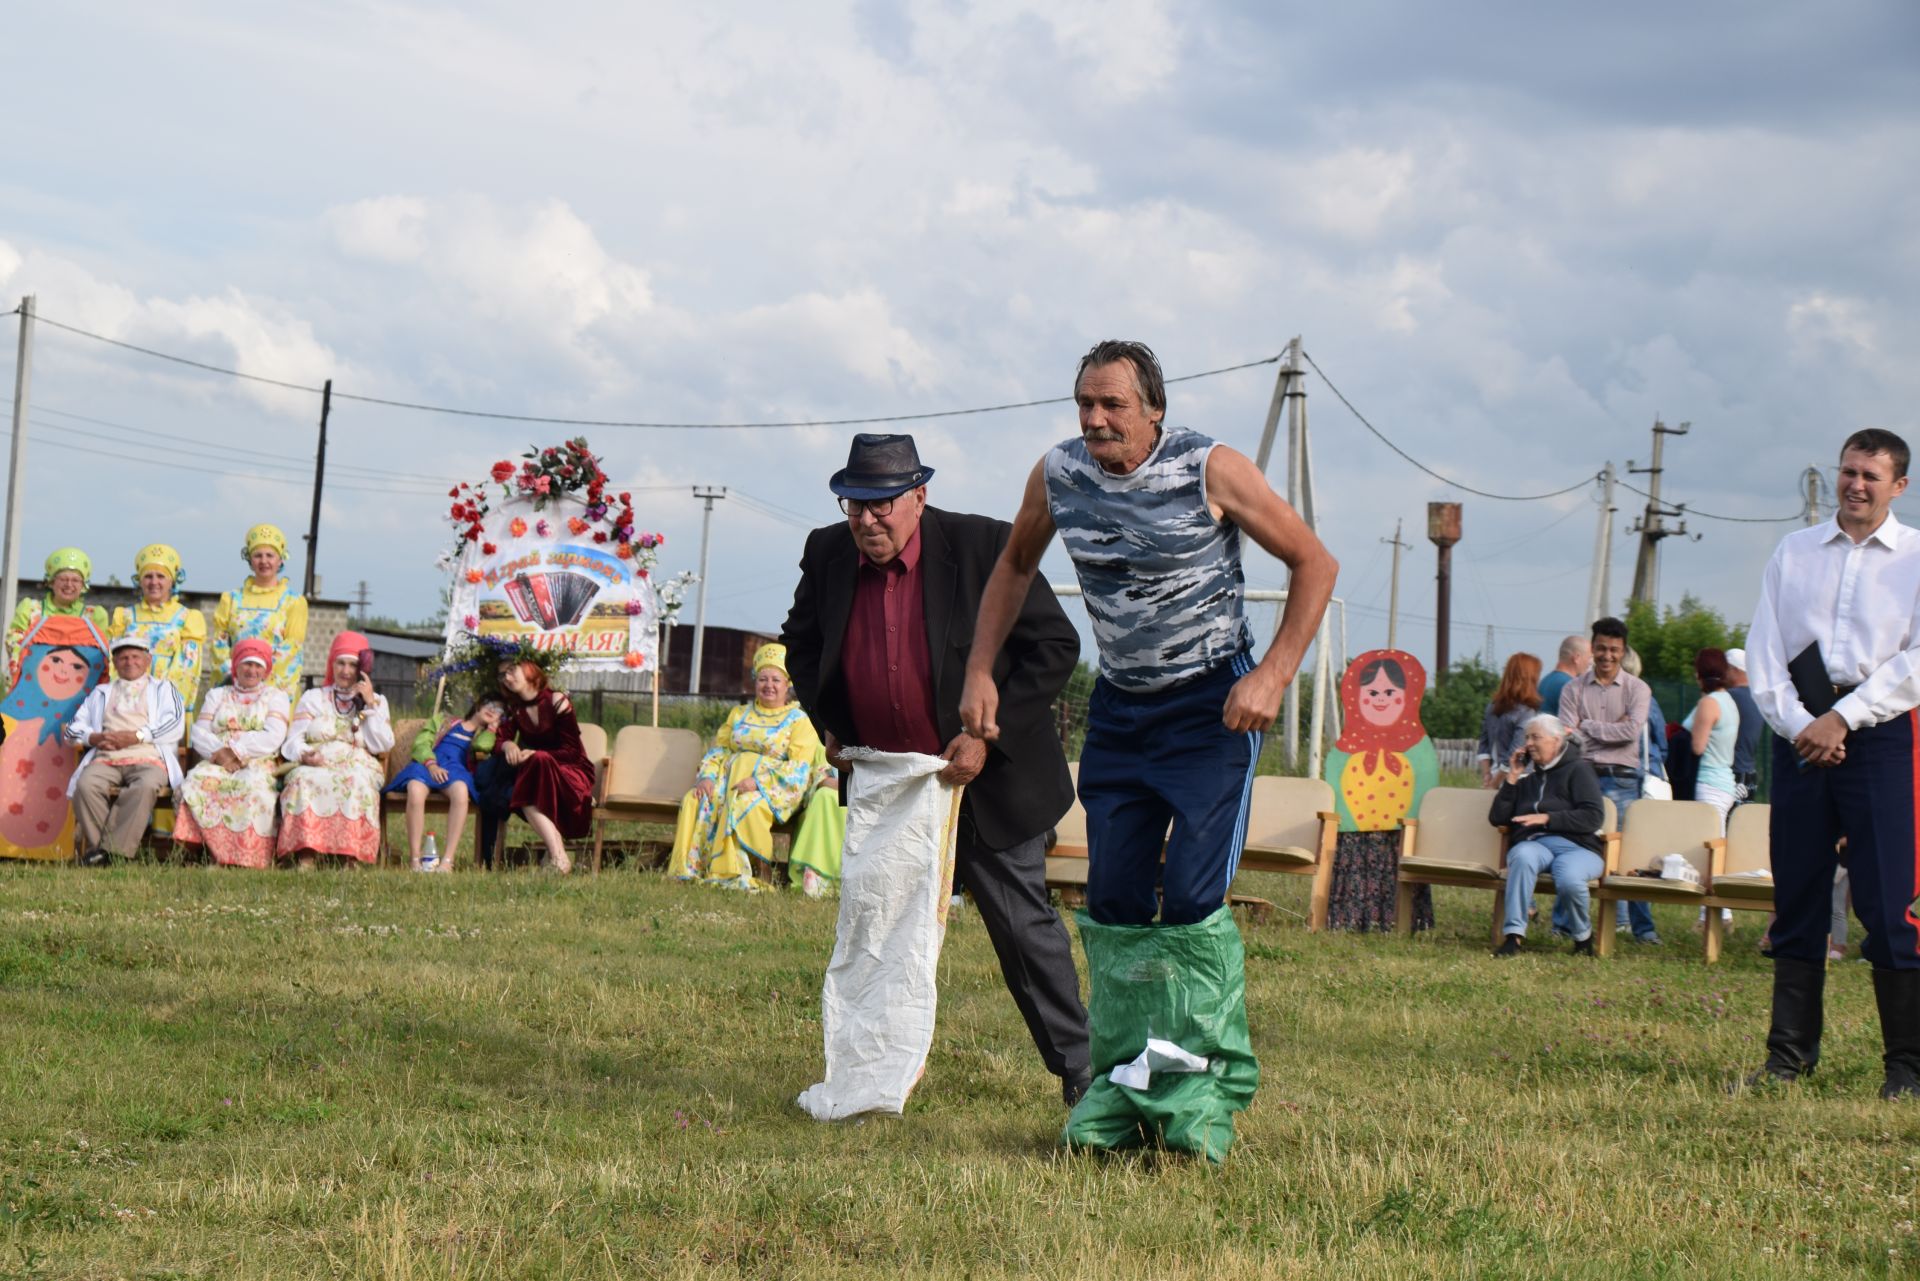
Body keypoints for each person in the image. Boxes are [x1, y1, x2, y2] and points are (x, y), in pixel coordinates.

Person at [959, 340, 1337, 1161]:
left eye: (1113, 405)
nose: (1096, 420)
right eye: (1085, 406)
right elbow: (1014, 565)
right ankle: (1124, 1091)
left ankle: (1198, 1096)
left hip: (1212, 709)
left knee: (1195, 902)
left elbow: (1315, 561)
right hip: (1124, 711)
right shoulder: (1058, 475)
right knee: (1120, 905)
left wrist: (1273, 672)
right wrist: (981, 669)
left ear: (1153, 409)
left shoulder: (1211, 469)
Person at [783, 431, 1091, 1110]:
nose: (867, 519)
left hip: (982, 777)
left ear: (919, 495)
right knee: (874, 932)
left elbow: (1055, 644)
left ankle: (1082, 1073)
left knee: (1021, 927)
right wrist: (826, 720)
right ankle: (868, 1077)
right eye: (854, 504)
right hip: (890, 787)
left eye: (883, 503)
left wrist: (986, 732)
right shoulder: (827, 553)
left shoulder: (985, 549)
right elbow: (800, 645)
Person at [1742, 428, 1920, 1098]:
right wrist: (1803, 725)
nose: (1856, 485)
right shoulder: (1795, 553)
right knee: (1800, 892)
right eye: (1849, 471)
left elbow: (1916, 660)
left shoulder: (1916, 557)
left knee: (1891, 900)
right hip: (1801, 740)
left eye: (1872, 476)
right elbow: (1764, 652)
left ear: (1898, 485)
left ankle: (1906, 1068)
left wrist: (1844, 717)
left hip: (1881, 739)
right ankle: (1788, 1058)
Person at [667, 643, 821, 889]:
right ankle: (690, 869)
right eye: (762, 679)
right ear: (755, 682)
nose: (768, 685)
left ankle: (736, 872)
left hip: (771, 791)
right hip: (726, 781)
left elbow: (799, 768)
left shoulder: (798, 720)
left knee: (743, 804)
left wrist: (758, 783)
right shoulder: (739, 714)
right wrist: (706, 777)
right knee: (695, 799)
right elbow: (720, 749)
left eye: (775, 680)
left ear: (787, 685)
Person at [1557, 617, 1661, 944]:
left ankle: (1644, 930)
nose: (1607, 656)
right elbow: (1566, 735)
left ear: (1623, 651)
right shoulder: (1572, 688)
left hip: (1624, 779)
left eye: (1614, 650)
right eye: (1601, 648)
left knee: (1630, 853)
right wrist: (1606, 731)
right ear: (1592, 649)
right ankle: (1562, 924)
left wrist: (1587, 726)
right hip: (1581, 776)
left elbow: (1631, 732)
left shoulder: (1638, 689)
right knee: (1572, 844)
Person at [1323, 650, 1438, 932]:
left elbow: (1425, 789)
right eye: (1372, 693)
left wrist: (1415, 824)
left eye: (1389, 691)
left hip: (1400, 832)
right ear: (1356, 697)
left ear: (1408, 696)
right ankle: (1348, 919)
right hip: (1353, 833)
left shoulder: (1419, 747)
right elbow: (1335, 787)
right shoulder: (1343, 750)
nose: (1381, 699)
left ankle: (1403, 919)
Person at [1489, 715, 1607, 957]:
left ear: (1556, 740)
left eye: (1535, 737)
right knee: (1522, 856)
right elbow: (1498, 818)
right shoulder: (1528, 780)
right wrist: (1512, 776)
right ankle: (1513, 937)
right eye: (1527, 738)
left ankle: (1583, 938)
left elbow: (1593, 816)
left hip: (1578, 848)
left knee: (1570, 878)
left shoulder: (1579, 770)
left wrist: (1548, 818)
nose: (1529, 743)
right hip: (1535, 844)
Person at [65, 634, 187, 866]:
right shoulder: (101, 692)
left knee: (145, 786)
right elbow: (72, 730)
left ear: (147, 660)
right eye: (122, 658)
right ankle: (111, 854)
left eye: (135, 657)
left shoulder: (163, 689)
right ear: (115, 663)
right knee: (85, 785)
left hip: (148, 756)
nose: (129, 662)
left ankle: (106, 854)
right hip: (106, 757)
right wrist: (94, 736)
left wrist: (136, 736)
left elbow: (174, 725)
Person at [277, 631, 394, 867]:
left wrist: (369, 704)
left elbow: (382, 744)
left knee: (355, 781)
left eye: (353, 665)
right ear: (332, 663)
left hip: (357, 763)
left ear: (362, 669)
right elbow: (292, 741)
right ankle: (305, 854)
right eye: (341, 663)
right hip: (316, 761)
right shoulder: (313, 698)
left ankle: (349, 856)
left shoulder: (377, 701)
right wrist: (304, 753)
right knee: (301, 779)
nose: (346, 671)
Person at [173, 638, 291, 868]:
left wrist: (237, 751)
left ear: (266, 670)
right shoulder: (217, 695)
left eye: (258, 666)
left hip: (257, 759)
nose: (252, 670)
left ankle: (247, 856)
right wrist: (220, 753)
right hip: (217, 759)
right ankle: (200, 852)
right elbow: (199, 732)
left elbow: (274, 736)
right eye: (247, 664)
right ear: (236, 666)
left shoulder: (275, 697)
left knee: (253, 786)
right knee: (196, 782)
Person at [497, 656, 596, 874]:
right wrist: (507, 746)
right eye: (504, 674)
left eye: (513, 671)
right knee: (525, 790)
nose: (507, 677)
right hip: (540, 771)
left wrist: (537, 753)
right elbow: (500, 737)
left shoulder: (556, 700)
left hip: (572, 771)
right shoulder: (515, 710)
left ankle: (556, 857)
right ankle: (559, 857)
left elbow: (572, 752)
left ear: (530, 670)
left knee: (536, 763)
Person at [384, 696, 504, 871]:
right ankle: (415, 860)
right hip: (429, 763)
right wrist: (431, 764)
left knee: (461, 792)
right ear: (479, 704)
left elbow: (483, 748)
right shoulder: (444, 720)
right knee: (415, 790)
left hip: (455, 770)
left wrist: (492, 729)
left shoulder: (483, 735)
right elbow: (421, 743)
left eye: (499, 710)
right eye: (490, 704)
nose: (492, 710)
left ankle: (447, 860)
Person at [211, 524, 308, 706]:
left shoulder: (294, 602)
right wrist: (236, 676)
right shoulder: (230, 599)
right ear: (249, 559)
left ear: (280, 560)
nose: (264, 561)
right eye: (258, 555)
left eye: (269, 555)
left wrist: (260, 682)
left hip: (274, 691)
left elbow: (292, 647)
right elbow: (219, 642)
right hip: (235, 687)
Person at [108, 544, 206, 711]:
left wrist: (162, 699)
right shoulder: (124, 616)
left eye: (160, 576)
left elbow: (188, 665)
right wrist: (127, 694)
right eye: (148, 577)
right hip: (127, 701)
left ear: (172, 581)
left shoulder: (188, 618)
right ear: (139, 581)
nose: (154, 582)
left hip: (167, 702)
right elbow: (112, 660)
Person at [6, 548, 109, 687]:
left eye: (75, 580)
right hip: (32, 684)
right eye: (63, 579)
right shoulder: (30, 609)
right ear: (51, 582)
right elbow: (13, 641)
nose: (69, 585)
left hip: (78, 687)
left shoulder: (95, 616)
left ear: (83, 586)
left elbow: (102, 655)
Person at [1478, 652, 1542, 788]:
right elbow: (1515, 754)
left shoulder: (1492, 706)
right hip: (1519, 780)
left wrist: (1487, 776)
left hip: (1494, 774)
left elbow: (1483, 745)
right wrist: (1494, 784)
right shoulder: (1527, 712)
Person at [1722, 648, 1764, 801]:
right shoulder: (1758, 698)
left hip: (1732, 775)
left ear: (1734, 669)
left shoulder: (1730, 697)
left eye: (1724, 669)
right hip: (1749, 775)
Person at [1537, 635, 1590, 716]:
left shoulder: (1544, 681)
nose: (1589, 663)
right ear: (1577, 658)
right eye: (1589, 658)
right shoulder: (1570, 686)